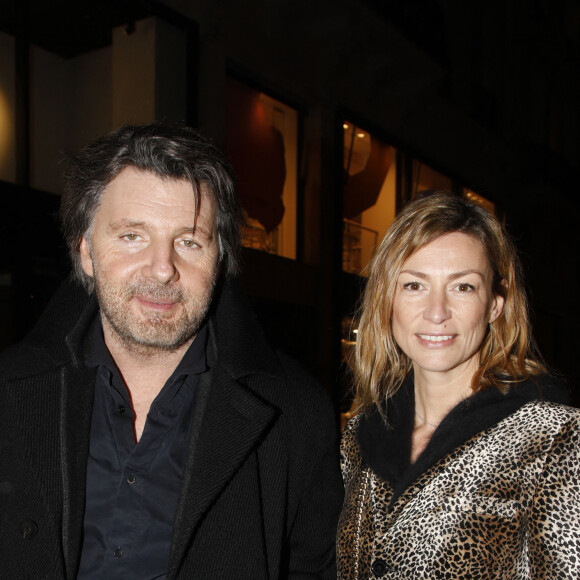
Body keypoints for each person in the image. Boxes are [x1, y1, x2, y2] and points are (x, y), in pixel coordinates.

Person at [0, 122, 343, 579]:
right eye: (132, 236)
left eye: (188, 241)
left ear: (218, 259)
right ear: (85, 251)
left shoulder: (297, 416)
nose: (163, 269)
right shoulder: (8, 392)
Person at [337, 192, 580, 578]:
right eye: (414, 285)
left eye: (462, 287)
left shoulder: (553, 439)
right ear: (388, 299)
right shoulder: (359, 436)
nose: (436, 312)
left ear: (495, 305)